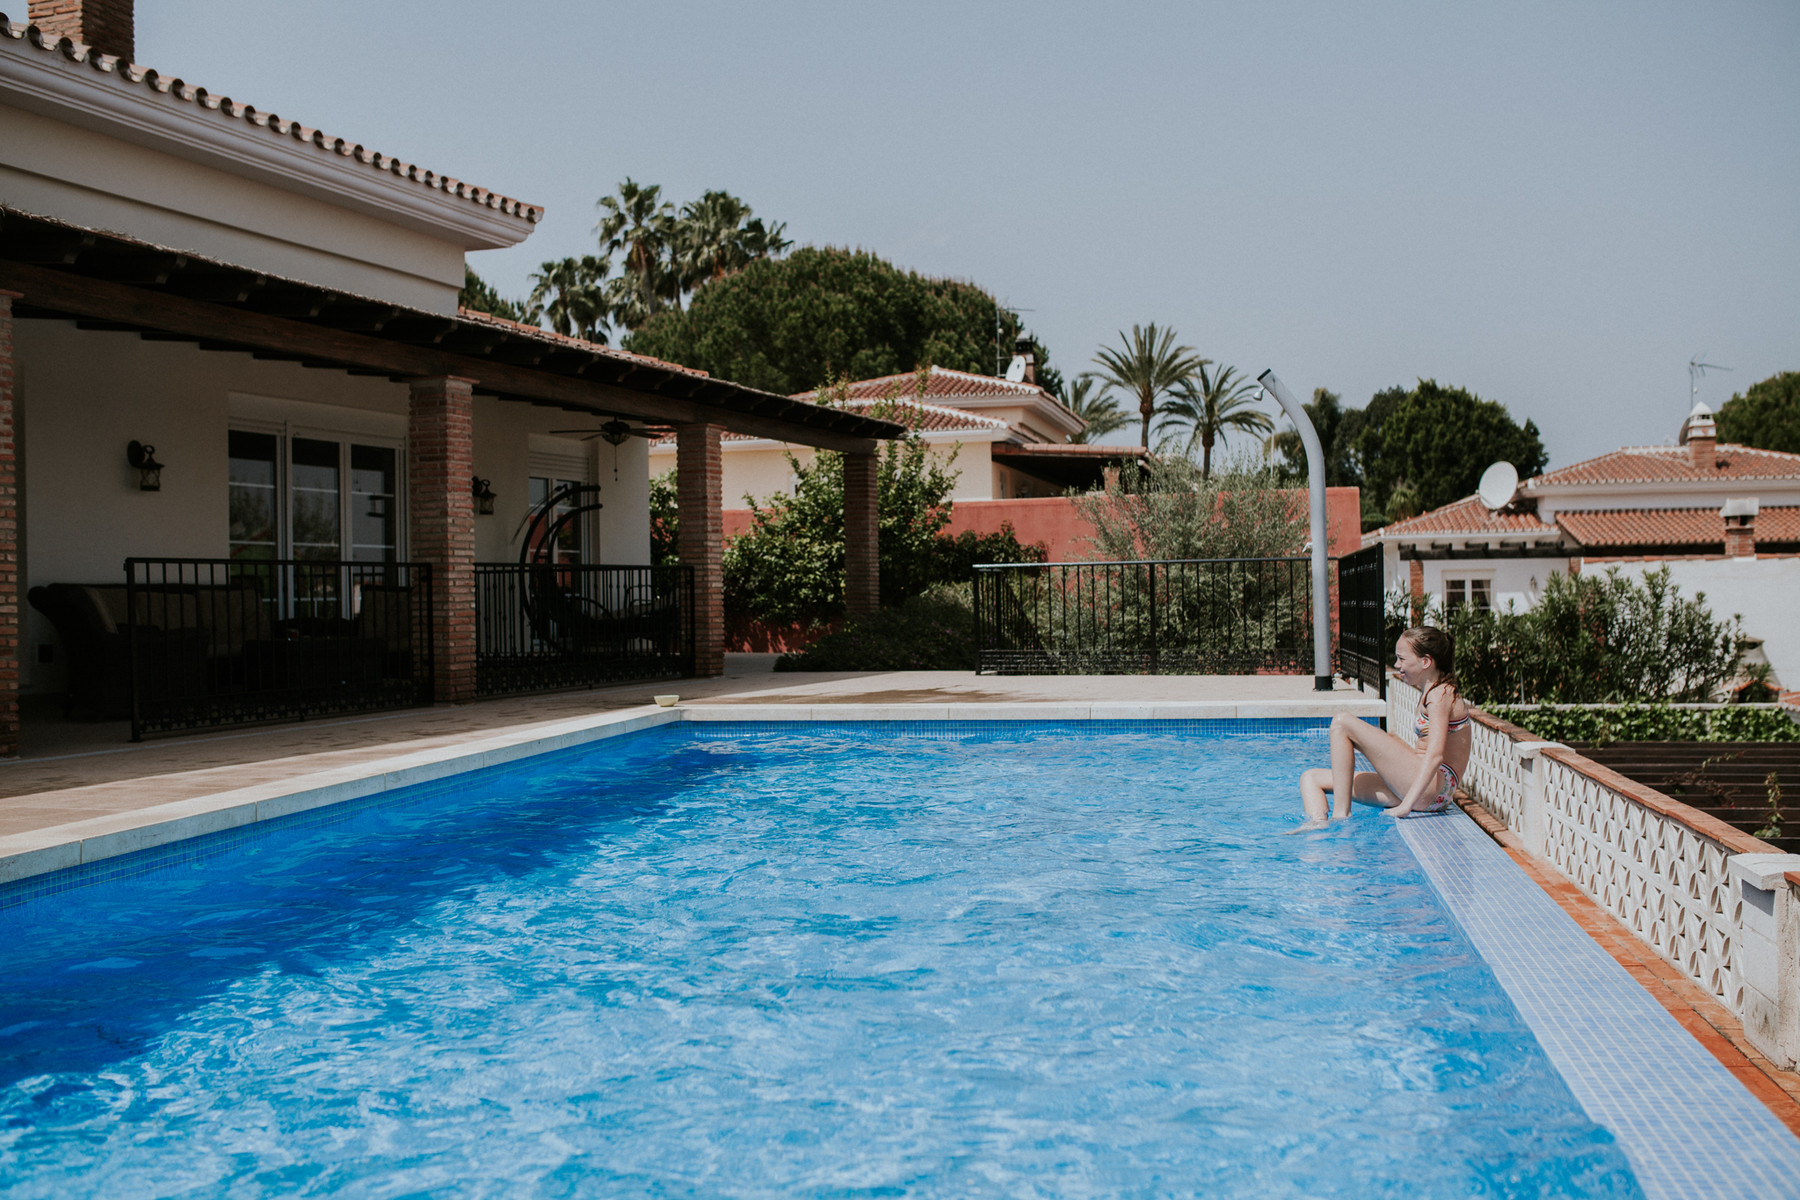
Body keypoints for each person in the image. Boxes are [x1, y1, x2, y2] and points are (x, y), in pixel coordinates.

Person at [1297, 625, 1471, 825]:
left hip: (1431, 789)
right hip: (1420, 787)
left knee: (1341, 723)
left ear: (1425, 662)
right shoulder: (1432, 691)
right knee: (1311, 778)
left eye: (1402, 659)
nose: (1397, 665)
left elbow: (1435, 755)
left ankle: (1340, 817)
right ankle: (1317, 826)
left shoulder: (1440, 694)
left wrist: (1406, 805)